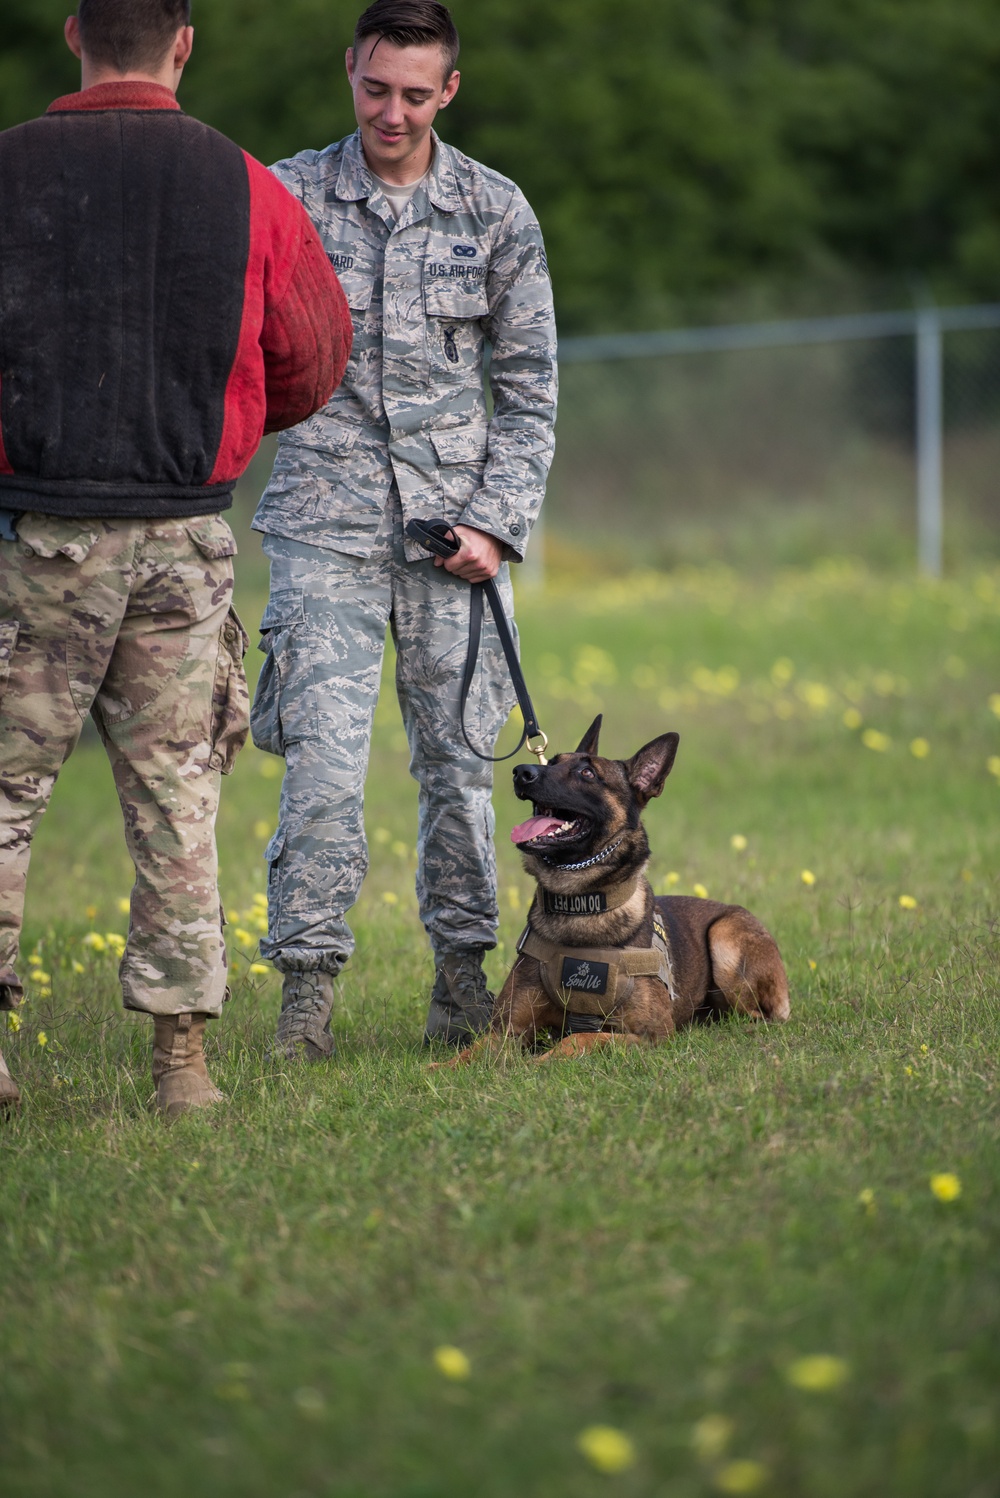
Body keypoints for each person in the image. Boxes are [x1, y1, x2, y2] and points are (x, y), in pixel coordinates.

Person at [0, 0, 352, 1118]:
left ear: (72, 33)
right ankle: (180, 1065)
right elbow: (312, 354)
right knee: (177, 799)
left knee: (2, 796)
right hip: (184, 541)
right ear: (183, 42)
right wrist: (223, 410)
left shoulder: (6, 171)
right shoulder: (248, 185)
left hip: (34, 536)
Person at [251, 0, 557, 1056]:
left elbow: (528, 392)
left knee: (459, 769)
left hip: (450, 540)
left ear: (449, 91)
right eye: (375, 88)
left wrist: (495, 525)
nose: (392, 110)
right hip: (321, 527)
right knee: (324, 774)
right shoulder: (284, 196)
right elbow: (232, 357)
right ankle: (305, 1000)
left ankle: (463, 989)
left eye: (415, 94)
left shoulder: (496, 210)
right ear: (349, 70)